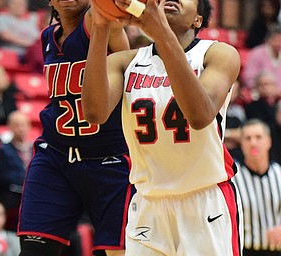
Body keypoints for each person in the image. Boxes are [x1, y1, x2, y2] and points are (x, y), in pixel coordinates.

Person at [82, 0, 243, 255]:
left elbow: (200, 116)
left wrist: (162, 36)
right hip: (148, 203)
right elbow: (94, 114)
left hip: (205, 200)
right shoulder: (125, 62)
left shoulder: (218, 54)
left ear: (197, 20)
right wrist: (101, 28)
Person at [17, 0, 135, 256]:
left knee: (115, 252)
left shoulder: (103, 24)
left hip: (108, 160)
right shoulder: (48, 36)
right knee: (34, 251)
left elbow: (127, 73)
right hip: (55, 157)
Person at [232, 119, 281, 255]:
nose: (253, 143)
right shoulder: (233, 178)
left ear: (269, 141)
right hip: (245, 250)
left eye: (258, 137)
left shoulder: (279, 173)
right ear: (241, 144)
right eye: (248, 138)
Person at [0, 110, 33, 231]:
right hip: (13, 194)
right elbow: (1, 177)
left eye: (24, 125)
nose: (21, 128)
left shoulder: (35, 148)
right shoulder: (3, 150)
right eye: (17, 125)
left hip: (32, 193)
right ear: (10, 128)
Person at [242, 23, 281, 90]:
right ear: (268, 39)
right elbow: (249, 79)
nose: (278, 44)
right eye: (275, 40)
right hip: (259, 93)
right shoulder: (256, 53)